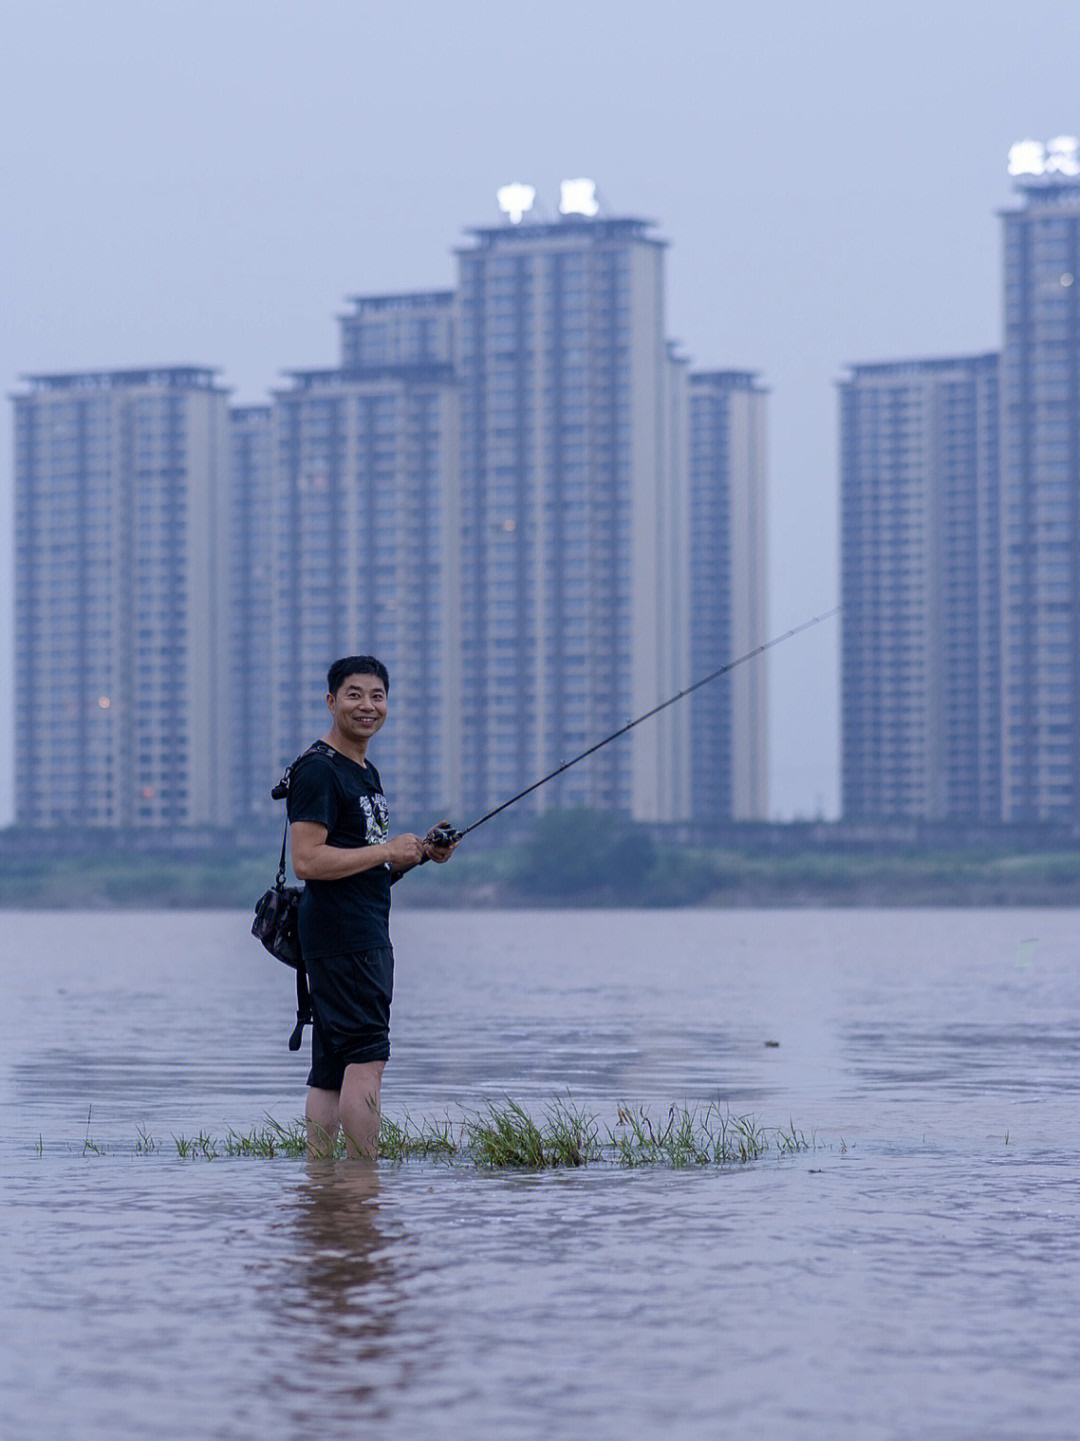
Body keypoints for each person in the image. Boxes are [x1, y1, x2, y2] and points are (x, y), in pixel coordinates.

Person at [287, 655, 456, 1159]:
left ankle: (322, 1184)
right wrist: (386, 850)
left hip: (350, 932)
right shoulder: (319, 770)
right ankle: (364, 1181)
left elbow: (361, 865)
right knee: (366, 1060)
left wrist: (417, 854)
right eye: (354, 694)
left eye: (377, 696)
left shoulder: (364, 771)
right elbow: (307, 860)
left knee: (332, 1066)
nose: (367, 706)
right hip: (348, 940)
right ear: (331, 701)